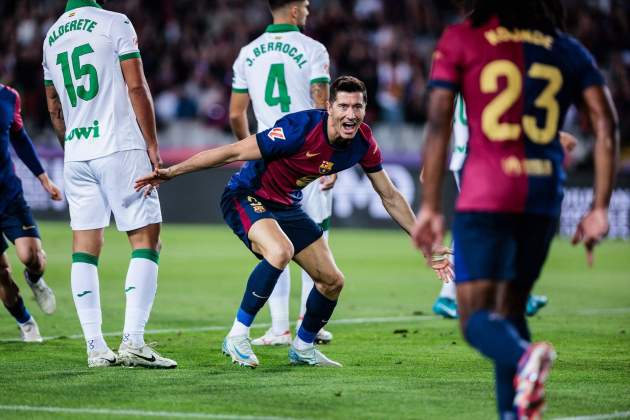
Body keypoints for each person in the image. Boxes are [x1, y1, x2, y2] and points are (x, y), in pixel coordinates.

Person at [137, 76, 451, 368]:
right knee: (280, 251)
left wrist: (428, 245)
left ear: (365, 109)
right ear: (329, 107)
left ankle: (302, 348)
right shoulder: (298, 128)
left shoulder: (363, 142)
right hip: (246, 195)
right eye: (343, 106)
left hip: (287, 205)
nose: (351, 114)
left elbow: (390, 195)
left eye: (357, 107)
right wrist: (172, 172)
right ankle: (236, 335)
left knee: (332, 281)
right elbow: (231, 152)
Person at [412, 0, 618, 418]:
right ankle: (516, 412)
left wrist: (431, 205)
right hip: (543, 198)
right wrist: (599, 206)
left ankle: (526, 357)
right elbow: (605, 122)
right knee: (510, 308)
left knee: (476, 321)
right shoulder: (566, 48)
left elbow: (437, 124)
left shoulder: (461, 38)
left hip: (486, 192)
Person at [42, 0, 176, 368]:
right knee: (147, 240)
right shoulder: (115, 22)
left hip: (77, 151)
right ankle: (133, 341)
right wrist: (151, 141)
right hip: (120, 145)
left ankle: (95, 346)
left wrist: (71, 146)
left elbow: (54, 106)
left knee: (85, 247)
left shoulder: (51, 36)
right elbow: (137, 87)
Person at [229, 0, 335, 346]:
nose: (307, 10)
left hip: (268, 158)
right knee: (314, 239)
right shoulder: (313, 49)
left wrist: (249, 147)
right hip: (306, 157)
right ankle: (310, 321)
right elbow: (322, 106)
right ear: (293, 11)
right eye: (304, 5)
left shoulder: (247, 53)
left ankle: (278, 328)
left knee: (276, 243)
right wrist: (329, 158)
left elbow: (234, 114)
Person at [431, 97, 579, 320]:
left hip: (473, 158)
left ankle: (505, 290)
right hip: (479, 159)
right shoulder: (485, 73)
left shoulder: (467, 72)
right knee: (490, 226)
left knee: (493, 225)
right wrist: (554, 137)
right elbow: (501, 115)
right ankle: (458, 294)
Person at [1, 83, 61, 342]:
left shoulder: (8, 97)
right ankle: (25, 321)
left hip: (8, 195)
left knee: (31, 256)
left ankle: (35, 279)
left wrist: (43, 178)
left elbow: (20, 138)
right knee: (1, 274)